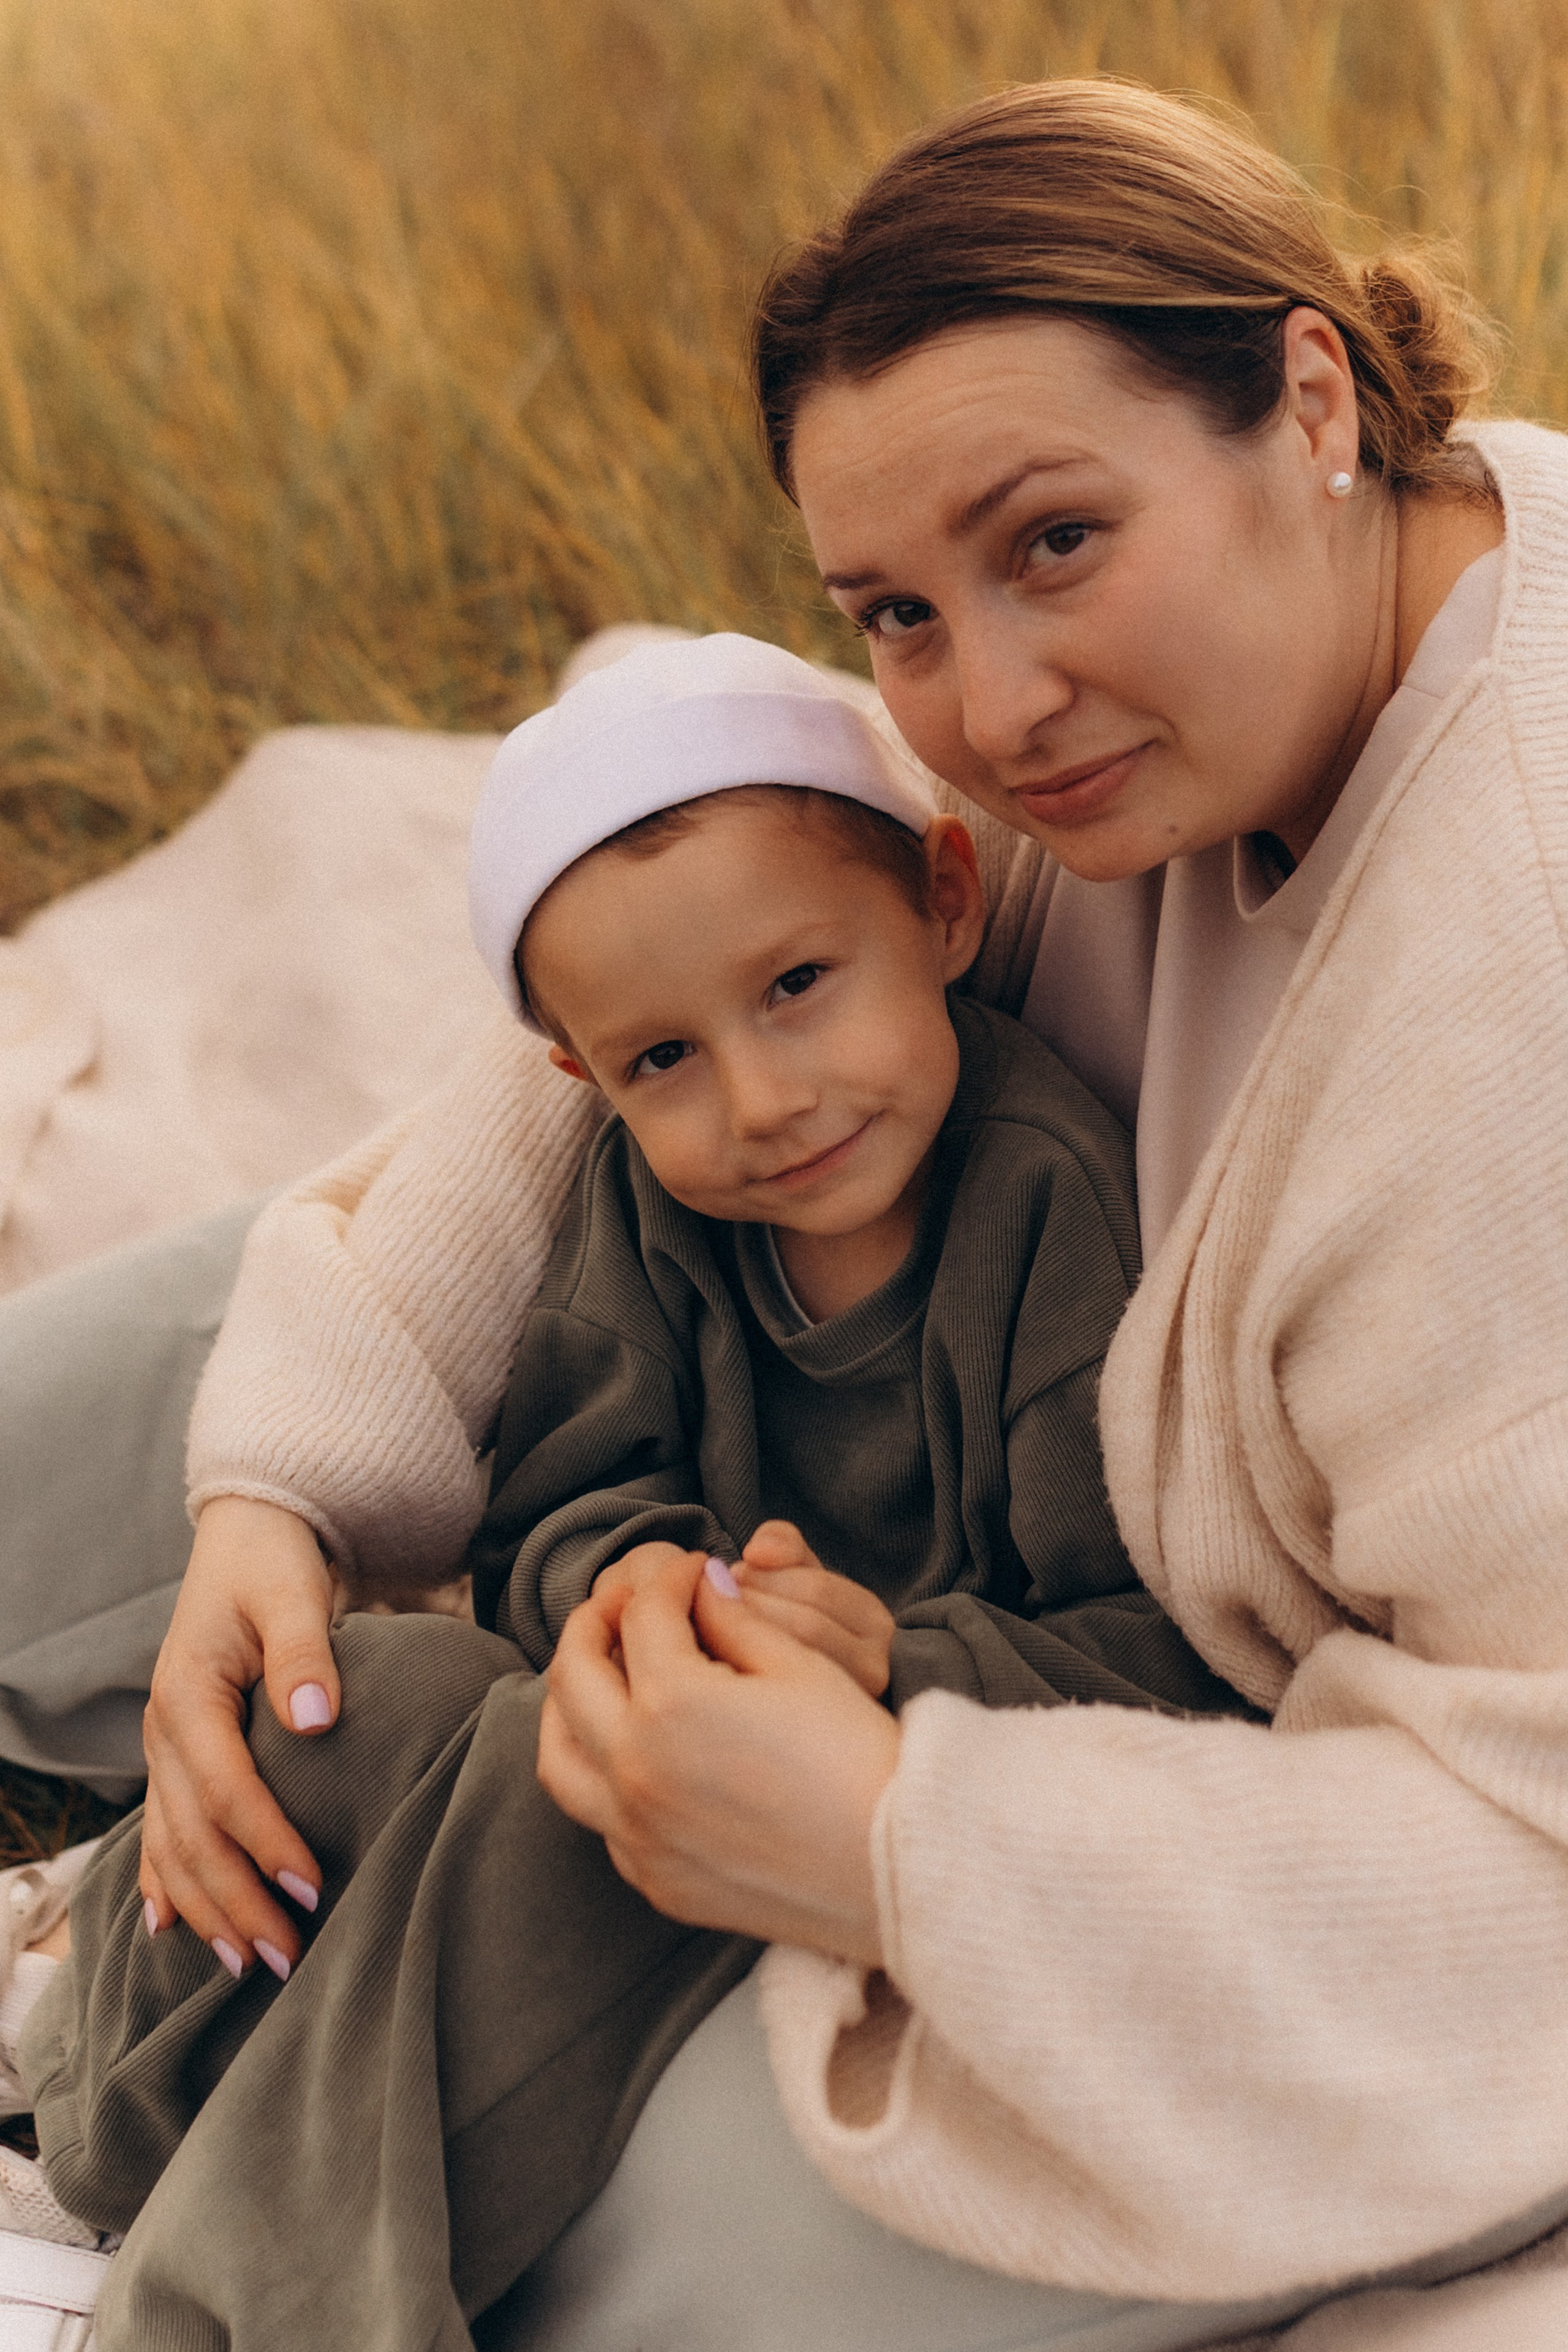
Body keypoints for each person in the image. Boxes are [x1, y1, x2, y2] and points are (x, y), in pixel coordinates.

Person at [3, 70, 1567, 2352]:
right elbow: (666, 975)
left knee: (604, 2231)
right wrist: (285, 1491)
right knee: (103, 1406)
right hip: (770, 1440)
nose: (992, 707)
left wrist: (891, 1840)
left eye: (1054, 544)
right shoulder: (1102, 689)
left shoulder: (1503, 1016)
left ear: (1310, 397)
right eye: (894, 610)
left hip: (1157, 1814)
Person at [15, 631, 1248, 2346]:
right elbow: (557, 1504)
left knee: (542, 1782)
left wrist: (875, 1660)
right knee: (382, 1685)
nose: (760, 1100)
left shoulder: (1044, 1211)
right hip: (656, 1699)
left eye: (799, 986)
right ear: (582, 1080)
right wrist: (631, 1586)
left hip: (879, 1787)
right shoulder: (652, 1205)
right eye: (661, 1058)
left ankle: (232, 2303)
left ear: (946, 906)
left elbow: (1152, 1648)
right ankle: (87, 2109)